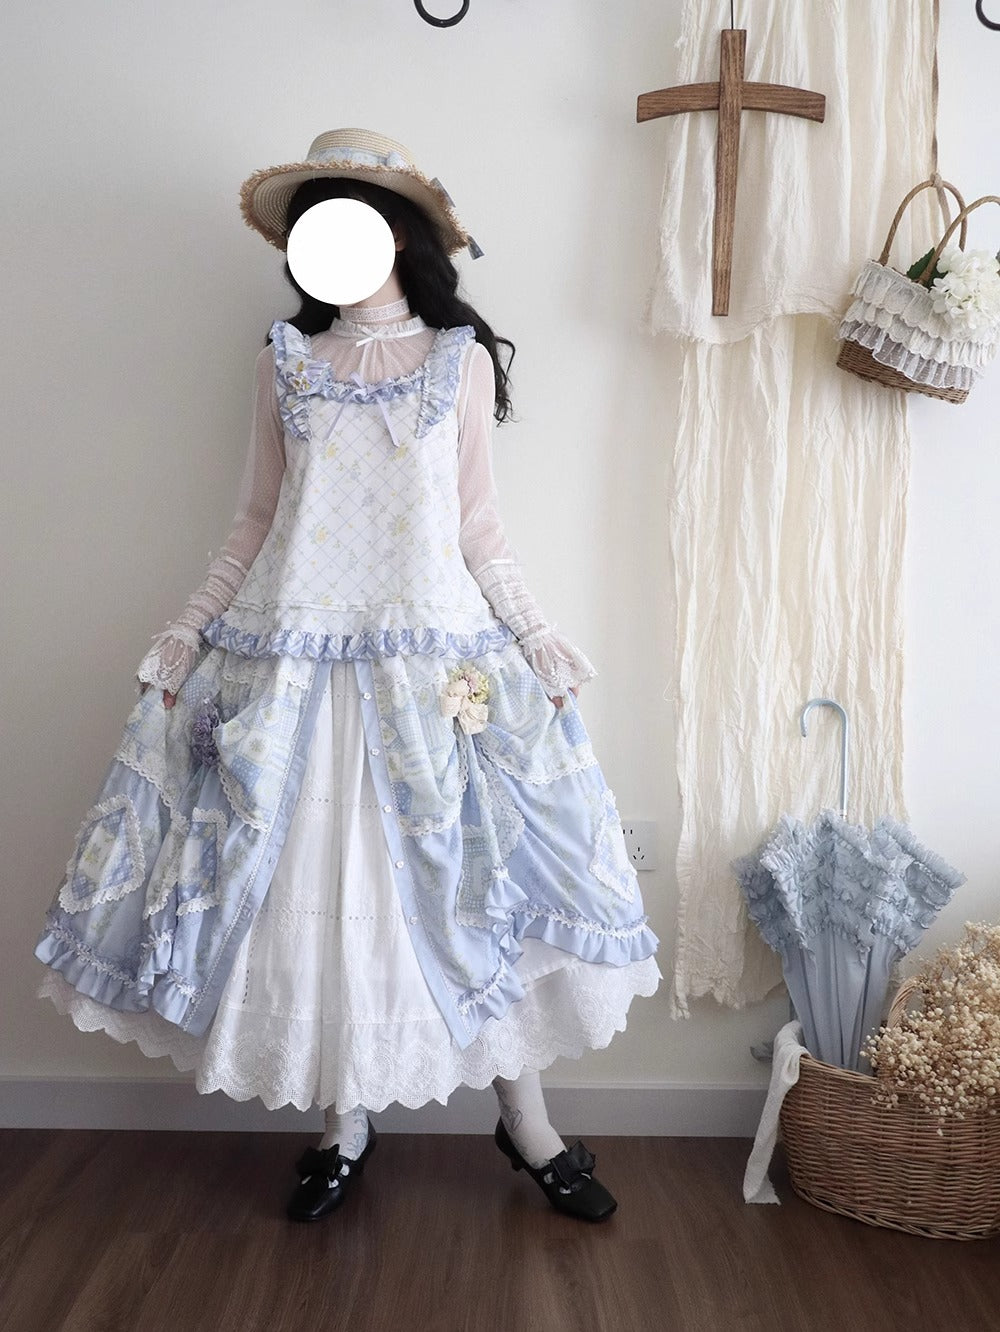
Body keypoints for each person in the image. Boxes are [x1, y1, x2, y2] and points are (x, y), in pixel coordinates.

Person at [35, 128, 661, 1224]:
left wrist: (537, 637)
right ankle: (344, 1124)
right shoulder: (285, 361)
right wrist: (186, 630)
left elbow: (478, 529)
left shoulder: (458, 362)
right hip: (294, 673)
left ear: (400, 235)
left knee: (476, 880)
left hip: (438, 672)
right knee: (314, 900)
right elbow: (256, 520)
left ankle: (527, 1123)